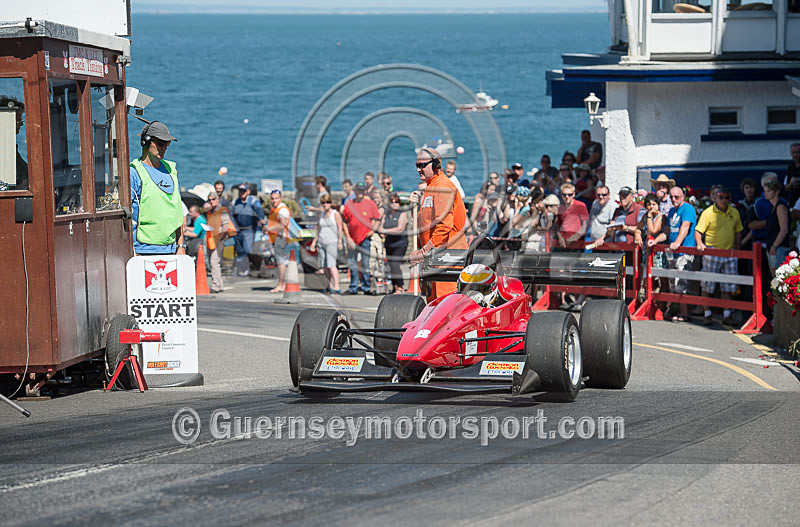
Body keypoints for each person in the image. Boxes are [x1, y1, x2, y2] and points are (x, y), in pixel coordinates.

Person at [408, 148, 468, 301]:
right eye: (417, 165)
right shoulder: (431, 187)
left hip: (447, 256)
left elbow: (444, 225)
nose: (418, 169)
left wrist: (424, 251)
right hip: (435, 258)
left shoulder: (442, 186)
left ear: (435, 165)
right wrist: (413, 209)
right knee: (433, 303)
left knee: (444, 304)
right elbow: (424, 223)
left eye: (422, 165)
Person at [130, 121, 186, 256]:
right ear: (146, 142)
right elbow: (126, 216)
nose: (165, 147)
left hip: (171, 250)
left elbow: (177, 212)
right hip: (142, 250)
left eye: (168, 144)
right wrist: (132, 250)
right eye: (161, 143)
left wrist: (181, 246)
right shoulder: (134, 172)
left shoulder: (171, 170)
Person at [694, 189, 743, 325]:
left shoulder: (734, 212)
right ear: (716, 198)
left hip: (729, 253)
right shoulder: (708, 213)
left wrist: (737, 250)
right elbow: (698, 231)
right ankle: (707, 314)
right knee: (707, 285)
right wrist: (700, 243)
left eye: (727, 197)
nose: (724, 200)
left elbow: (738, 232)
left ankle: (727, 315)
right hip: (712, 252)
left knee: (727, 287)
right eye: (721, 197)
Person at [665, 186, 697, 322]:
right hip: (672, 251)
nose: (673, 199)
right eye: (671, 197)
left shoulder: (688, 209)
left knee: (681, 282)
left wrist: (677, 242)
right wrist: (655, 240)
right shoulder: (672, 211)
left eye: (676, 197)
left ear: (683, 197)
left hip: (684, 249)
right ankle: (676, 309)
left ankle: (685, 312)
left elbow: (685, 227)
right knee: (673, 281)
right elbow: (667, 230)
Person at [342, 182, 380, 295]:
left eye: (362, 190)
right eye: (358, 190)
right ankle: (353, 287)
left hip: (365, 239)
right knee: (352, 263)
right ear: (355, 191)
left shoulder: (370, 204)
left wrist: (372, 231)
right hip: (352, 238)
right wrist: (348, 237)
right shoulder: (349, 203)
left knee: (365, 264)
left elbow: (377, 219)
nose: (360, 192)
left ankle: (366, 287)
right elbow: (344, 221)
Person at [309, 194, 344, 294]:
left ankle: (336, 286)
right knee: (325, 266)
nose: (325, 204)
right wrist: (314, 243)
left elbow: (340, 228)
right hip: (322, 241)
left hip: (332, 242)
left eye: (327, 202)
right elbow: (318, 230)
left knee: (332, 265)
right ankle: (328, 285)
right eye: (323, 203)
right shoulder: (321, 214)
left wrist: (340, 241)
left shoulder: (335, 213)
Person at [231, 182, 265, 276]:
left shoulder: (254, 201)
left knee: (247, 249)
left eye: (244, 191)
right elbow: (231, 215)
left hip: (249, 230)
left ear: (248, 191)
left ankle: (246, 269)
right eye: (240, 191)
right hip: (238, 230)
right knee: (239, 250)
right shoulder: (235, 202)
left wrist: (261, 219)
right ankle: (239, 269)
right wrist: (234, 227)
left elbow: (259, 212)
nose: (242, 193)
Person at [204, 191, 236, 293]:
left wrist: (219, 238)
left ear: (218, 200)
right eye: (209, 200)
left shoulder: (222, 211)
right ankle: (219, 284)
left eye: (213, 199)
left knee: (214, 263)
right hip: (211, 239)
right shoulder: (210, 212)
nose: (211, 201)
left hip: (218, 240)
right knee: (214, 263)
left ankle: (216, 285)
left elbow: (225, 227)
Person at [263, 190, 292, 293]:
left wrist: (269, 229)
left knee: (280, 261)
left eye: (276, 198)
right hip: (275, 237)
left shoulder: (282, 210)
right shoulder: (275, 209)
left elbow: (282, 225)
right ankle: (281, 283)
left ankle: (281, 284)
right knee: (278, 260)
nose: (274, 200)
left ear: (280, 198)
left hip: (281, 237)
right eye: (272, 198)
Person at [380, 193, 409, 293]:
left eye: (396, 202)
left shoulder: (402, 214)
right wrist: (382, 232)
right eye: (392, 202)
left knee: (395, 264)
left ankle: (400, 286)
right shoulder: (387, 214)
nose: (394, 204)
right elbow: (380, 226)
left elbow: (400, 229)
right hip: (389, 243)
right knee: (390, 265)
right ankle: (394, 285)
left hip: (400, 243)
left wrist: (385, 231)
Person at [763, 178, 791, 275]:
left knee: (781, 279)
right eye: (765, 191)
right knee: (775, 280)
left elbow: (784, 229)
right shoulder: (773, 207)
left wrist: (774, 246)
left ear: (777, 192)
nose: (765, 193)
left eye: (769, 191)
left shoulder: (780, 207)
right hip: (772, 247)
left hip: (779, 248)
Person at [556, 182, 589, 249]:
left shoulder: (580, 206)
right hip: (563, 244)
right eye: (564, 195)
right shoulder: (560, 208)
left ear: (574, 194)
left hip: (577, 243)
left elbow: (585, 225)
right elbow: (557, 226)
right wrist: (560, 238)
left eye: (569, 195)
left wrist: (575, 237)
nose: (567, 197)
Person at [738, 178, 758, 248]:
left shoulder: (758, 204)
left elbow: (756, 226)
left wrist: (743, 241)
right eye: (747, 188)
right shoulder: (740, 205)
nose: (749, 190)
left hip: (754, 240)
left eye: (751, 187)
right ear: (743, 190)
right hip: (741, 238)